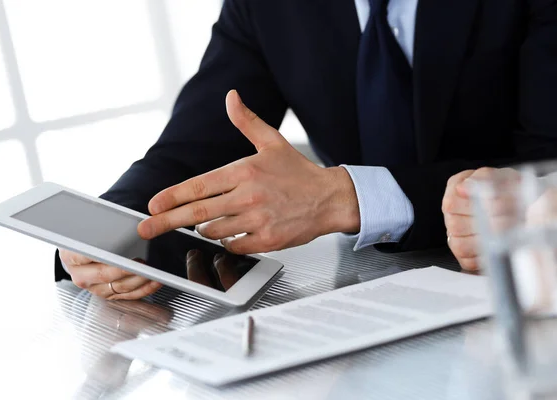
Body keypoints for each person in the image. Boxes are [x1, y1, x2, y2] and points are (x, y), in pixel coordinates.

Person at [57, 0, 557, 300]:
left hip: (525, 285)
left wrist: (345, 198)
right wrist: (111, 227)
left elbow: (548, 161)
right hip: (370, 295)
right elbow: (192, 149)